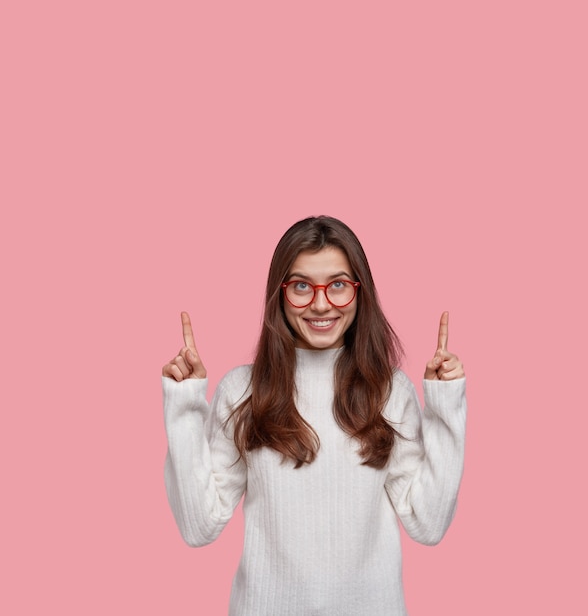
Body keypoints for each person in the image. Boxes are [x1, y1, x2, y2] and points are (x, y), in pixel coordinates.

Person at [162, 216, 467, 616]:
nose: (321, 303)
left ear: (360, 293)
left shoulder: (389, 391)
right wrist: (184, 404)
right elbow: (198, 525)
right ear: (280, 293)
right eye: (301, 286)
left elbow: (427, 525)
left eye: (338, 284)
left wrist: (445, 405)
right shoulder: (242, 391)